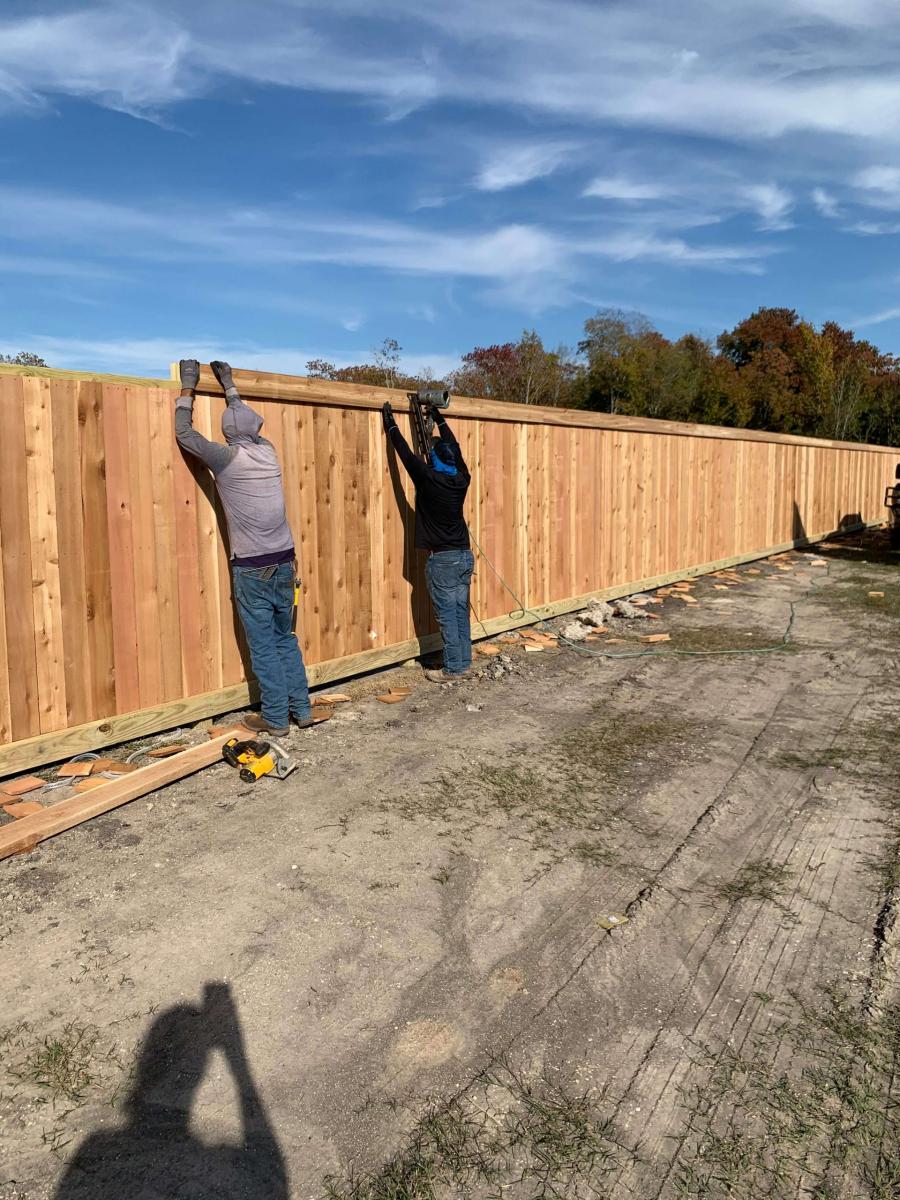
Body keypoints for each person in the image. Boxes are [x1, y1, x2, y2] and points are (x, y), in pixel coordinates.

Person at [175, 359, 315, 735]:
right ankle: (302, 710)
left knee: (265, 646)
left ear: (226, 434)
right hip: (286, 562)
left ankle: (274, 718)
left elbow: (185, 435)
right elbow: (246, 425)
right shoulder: (269, 452)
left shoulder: (224, 459)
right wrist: (230, 384)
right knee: (285, 638)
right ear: (257, 430)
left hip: (253, 568)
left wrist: (188, 385)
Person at [381, 400, 474, 680]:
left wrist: (391, 425)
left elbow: (405, 454)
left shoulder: (427, 478)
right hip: (463, 557)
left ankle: (454, 669)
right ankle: (464, 663)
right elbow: (454, 449)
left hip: (443, 561)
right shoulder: (462, 479)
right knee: (460, 613)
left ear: (434, 459)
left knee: (447, 616)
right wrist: (440, 419)